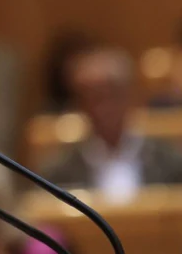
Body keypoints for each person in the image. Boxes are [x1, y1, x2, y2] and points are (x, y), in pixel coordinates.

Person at [44, 45, 182, 201]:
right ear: (79, 105)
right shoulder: (58, 171)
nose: (104, 108)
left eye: (112, 96)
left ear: (130, 96)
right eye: (94, 99)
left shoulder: (170, 162)